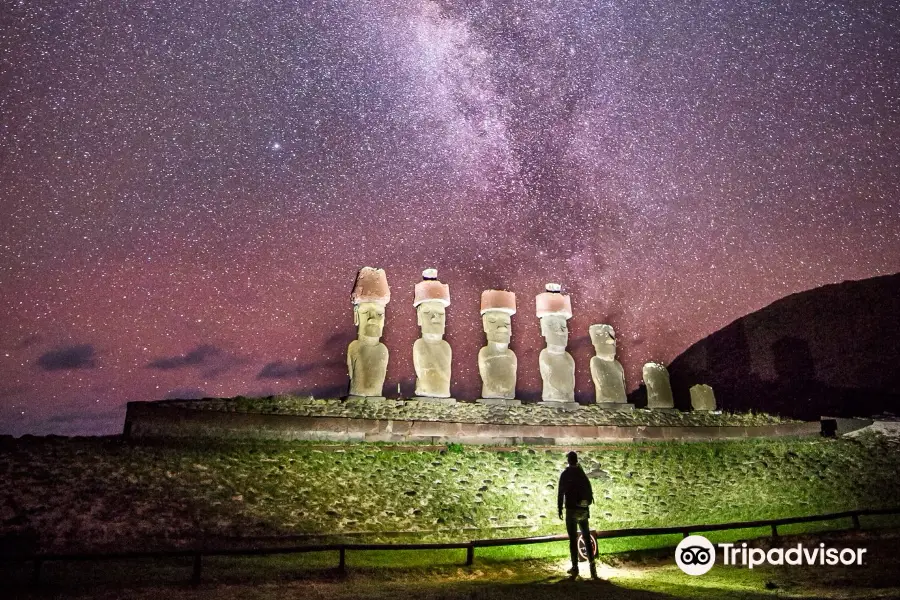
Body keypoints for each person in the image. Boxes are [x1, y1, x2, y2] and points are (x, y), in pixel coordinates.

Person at [558, 451, 598, 579]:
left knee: (573, 539)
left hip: (571, 510)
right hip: (584, 510)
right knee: (586, 538)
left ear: (568, 461)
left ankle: (575, 568)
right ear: (576, 460)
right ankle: (592, 567)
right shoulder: (582, 474)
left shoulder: (565, 474)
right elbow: (589, 491)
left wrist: (559, 508)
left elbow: (560, 493)